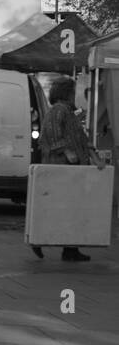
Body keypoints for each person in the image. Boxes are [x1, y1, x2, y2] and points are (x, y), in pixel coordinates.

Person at [34, 76, 107, 261]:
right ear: (66, 93)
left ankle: (70, 248)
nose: (76, 95)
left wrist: (94, 157)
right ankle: (40, 239)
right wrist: (66, 151)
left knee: (72, 209)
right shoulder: (58, 110)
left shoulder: (68, 112)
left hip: (72, 170)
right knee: (60, 208)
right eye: (73, 92)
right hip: (62, 169)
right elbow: (51, 134)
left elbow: (82, 139)